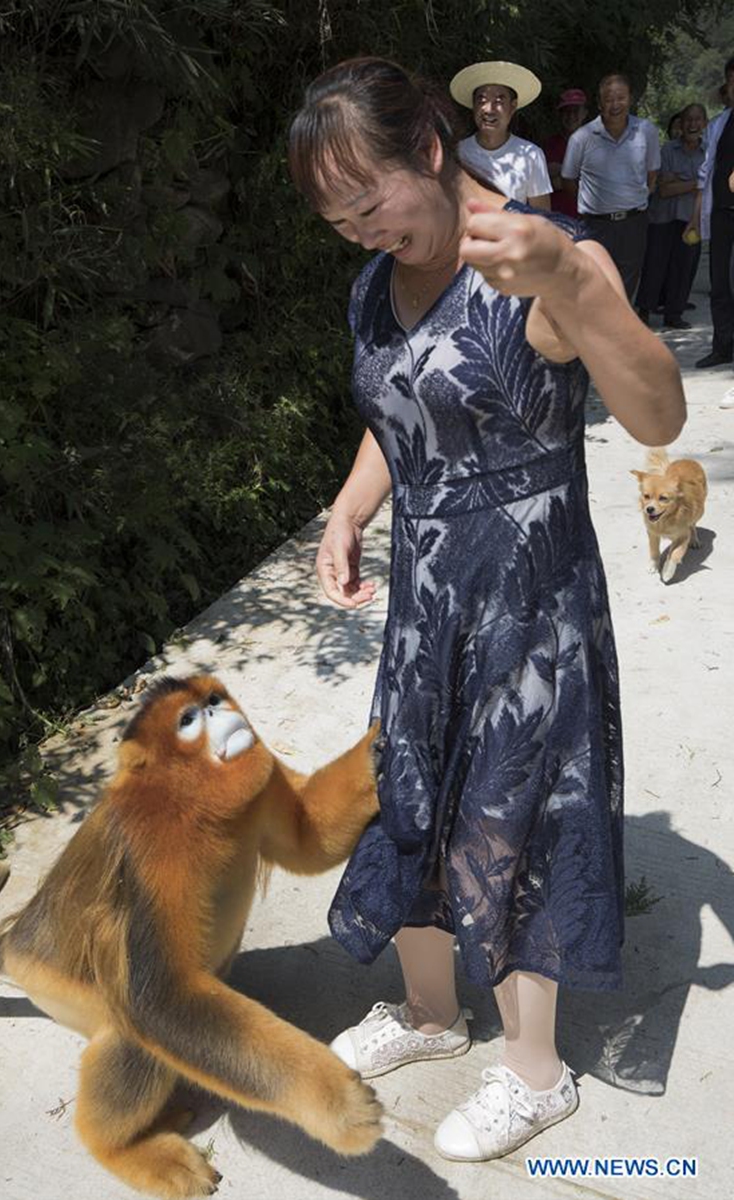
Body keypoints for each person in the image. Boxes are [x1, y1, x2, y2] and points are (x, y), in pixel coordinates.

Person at [288, 57, 684, 1163]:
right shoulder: (377, 282)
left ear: (428, 150)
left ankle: (533, 1074)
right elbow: (401, 400)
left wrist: (572, 277)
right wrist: (346, 509)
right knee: (411, 791)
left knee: (514, 816)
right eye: (335, 221)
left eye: (367, 205)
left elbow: (653, 411)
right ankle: (427, 1016)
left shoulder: (528, 260)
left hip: (529, 600)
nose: (359, 233)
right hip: (425, 599)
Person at [561, 73, 661, 298]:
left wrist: (634, 197)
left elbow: (652, 173)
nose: (615, 104)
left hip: (634, 223)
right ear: (599, 103)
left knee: (626, 288)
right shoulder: (582, 137)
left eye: (621, 98)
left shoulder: (647, 131)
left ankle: (618, 331)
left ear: (630, 99)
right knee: (593, 284)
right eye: (608, 99)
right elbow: (568, 179)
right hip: (596, 225)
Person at [635, 103, 707, 328]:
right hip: (663, 217)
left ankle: (674, 314)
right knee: (655, 264)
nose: (692, 124)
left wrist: (679, 180)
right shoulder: (667, 150)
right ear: (681, 124)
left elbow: (706, 188)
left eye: (697, 120)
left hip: (691, 218)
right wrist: (696, 182)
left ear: (704, 124)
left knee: (684, 267)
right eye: (688, 120)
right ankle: (644, 310)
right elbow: (664, 189)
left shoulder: (708, 153)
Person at [450, 60, 552, 208]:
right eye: (482, 100)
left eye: (499, 101)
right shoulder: (458, 153)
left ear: (512, 107)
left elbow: (543, 217)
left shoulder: (531, 155)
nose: (489, 109)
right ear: (473, 106)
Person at [688, 57, 734, 370]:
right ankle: (723, 346)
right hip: (721, 213)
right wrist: (695, 217)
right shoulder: (720, 123)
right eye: (732, 79)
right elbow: (705, 174)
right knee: (719, 283)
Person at [542, 88, 589, 218]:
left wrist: (561, 173)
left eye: (576, 111)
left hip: (586, 219)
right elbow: (547, 182)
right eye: (566, 112)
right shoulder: (550, 144)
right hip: (555, 217)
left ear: (584, 113)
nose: (570, 116)